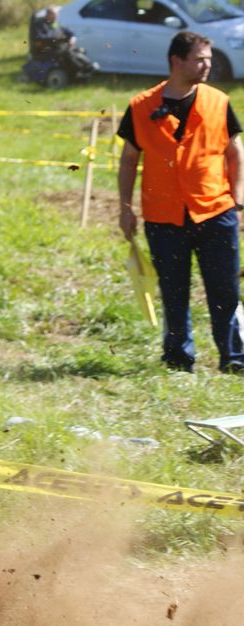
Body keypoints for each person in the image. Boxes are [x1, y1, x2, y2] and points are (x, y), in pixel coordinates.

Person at [117, 31, 244, 374]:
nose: (207, 66)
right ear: (177, 60)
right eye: (200, 59)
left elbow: (235, 153)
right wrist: (125, 209)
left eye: (209, 60)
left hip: (216, 212)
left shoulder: (219, 102)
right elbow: (128, 161)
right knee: (174, 291)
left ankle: (234, 357)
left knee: (225, 291)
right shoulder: (141, 106)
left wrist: (238, 202)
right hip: (163, 217)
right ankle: (178, 359)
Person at [28, 5, 97, 76]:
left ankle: (87, 66)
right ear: (49, 15)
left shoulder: (54, 24)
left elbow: (67, 32)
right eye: (55, 14)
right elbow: (41, 38)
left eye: (57, 14)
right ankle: (79, 70)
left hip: (57, 47)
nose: (57, 16)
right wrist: (60, 39)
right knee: (68, 52)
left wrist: (72, 38)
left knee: (78, 50)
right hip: (45, 50)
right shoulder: (40, 24)